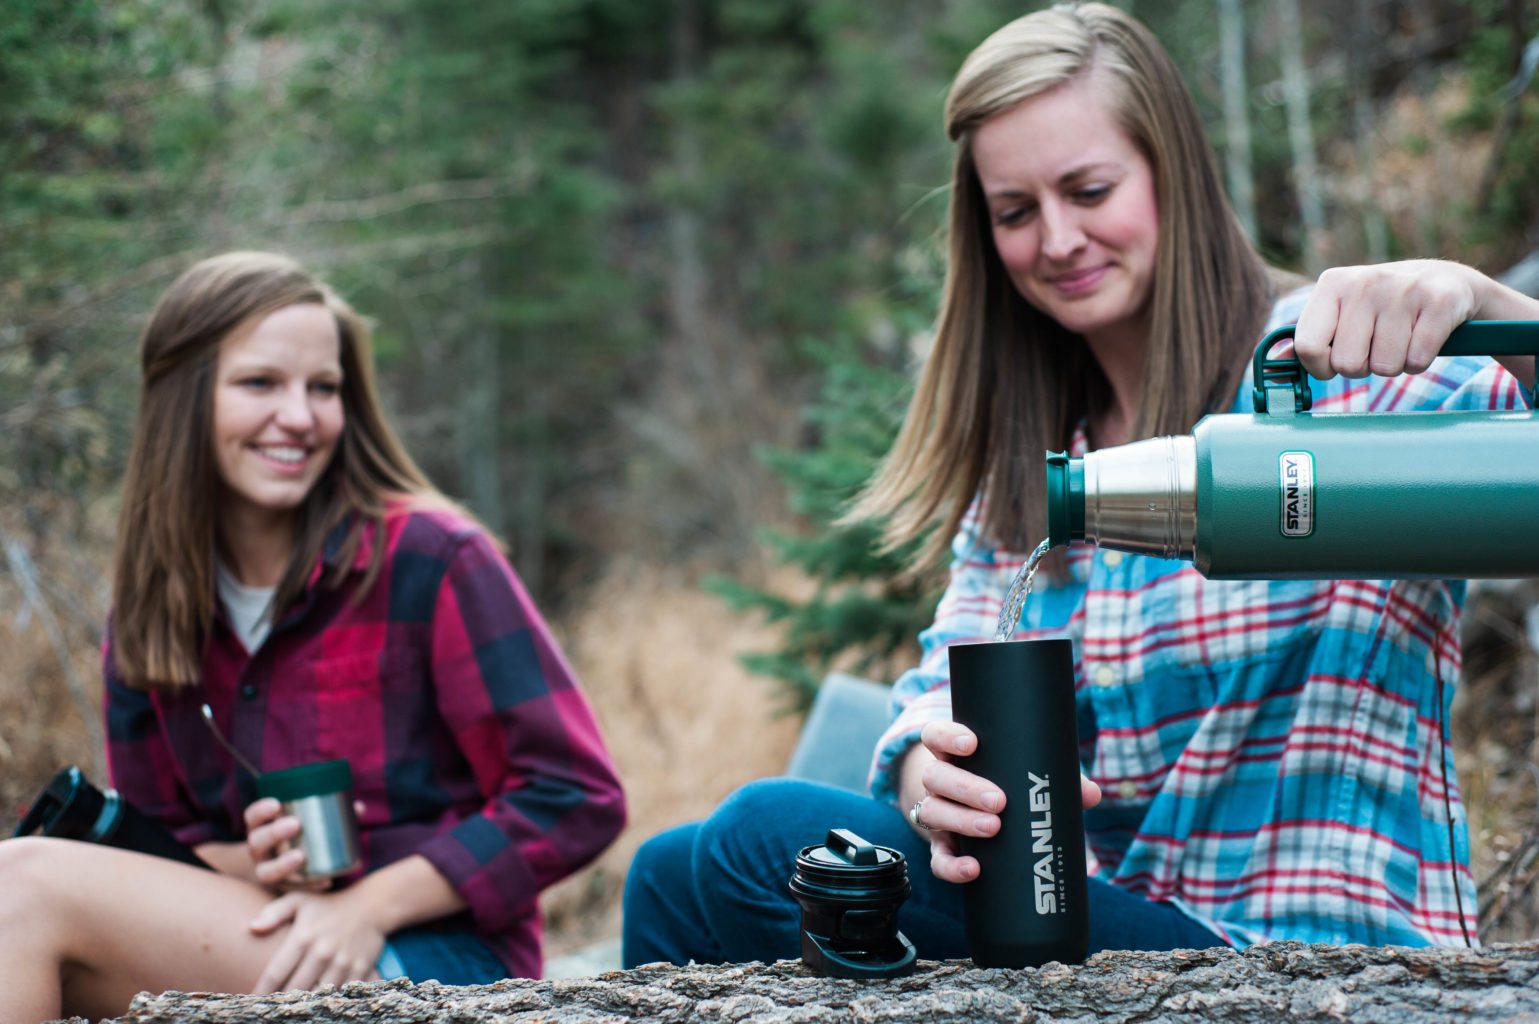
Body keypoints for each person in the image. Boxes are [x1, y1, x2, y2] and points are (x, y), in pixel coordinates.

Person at [621, 2, 1539, 967]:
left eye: (1089, 189)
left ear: (1170, 173)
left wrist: (1496, 310)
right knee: (667, 872)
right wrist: (924, 769)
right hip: (1121, 947)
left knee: (761, 835)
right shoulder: (1041, 469)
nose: (1056, 239)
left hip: (1328, 956)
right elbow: (944, 680)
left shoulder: (1349, 371)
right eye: (1015, 212)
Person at [0, 251, 627, 1021]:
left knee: (19, 890)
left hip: (438, 961)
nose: (299, 416)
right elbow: (162, 848)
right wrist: (258, 859)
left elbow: (574, 794)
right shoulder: (152, 604)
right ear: (182, 398)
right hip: (264, 931)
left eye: (322, 388)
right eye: (261, 383)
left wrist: (369, 904)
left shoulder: (430, 556)